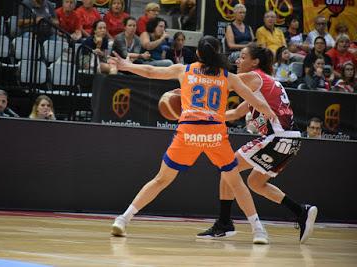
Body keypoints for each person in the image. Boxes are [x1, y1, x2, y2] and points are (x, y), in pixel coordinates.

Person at [110, 35, 277, 244]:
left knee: (161, 180)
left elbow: (151, 71)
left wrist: (127, 65)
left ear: (198, 53)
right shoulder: (227, 77)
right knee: (235, 183)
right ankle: (259, 231)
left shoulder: (185, 70)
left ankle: (123, 219)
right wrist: (268, 111)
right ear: (218, 52)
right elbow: (254, 99)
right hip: (215, 132)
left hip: (188, 131)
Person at [196, 43, 318, 244]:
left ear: (255, 62)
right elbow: (235, 113)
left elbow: (218, 83)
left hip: (278, 138)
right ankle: (301, 211)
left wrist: (189, 87)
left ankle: (224, 223)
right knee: (255, 183)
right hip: (291, 141)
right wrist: (207, 118)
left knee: (228, 167)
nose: (237, 60)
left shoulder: (254, 77)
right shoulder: (260, 85)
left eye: (242, 57)